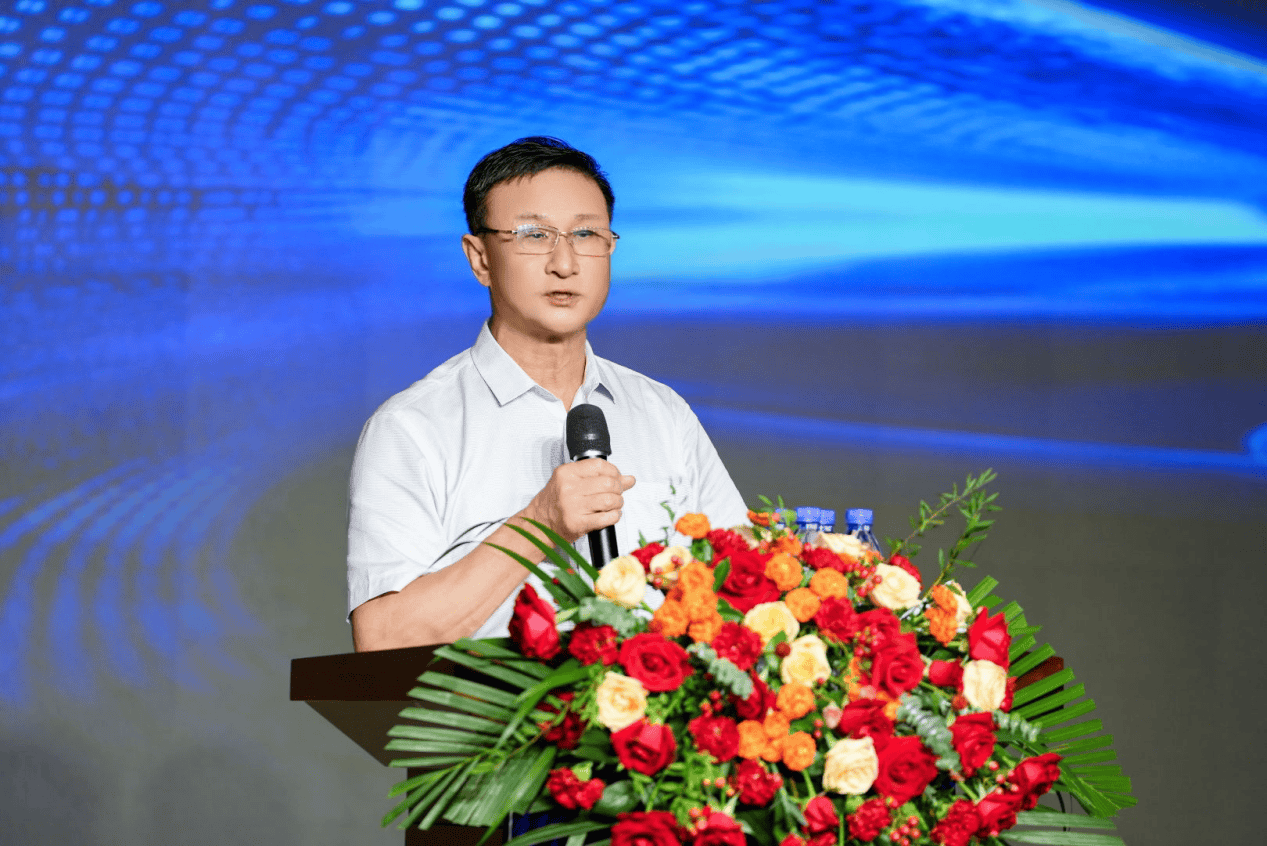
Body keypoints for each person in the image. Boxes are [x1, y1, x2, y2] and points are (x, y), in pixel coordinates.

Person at [347, 137, 747, 651]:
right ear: (480, 258)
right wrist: (540, 523)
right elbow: (382, 641)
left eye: (586, 234)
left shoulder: (662, 412)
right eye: (534, 235)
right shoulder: (412, 427)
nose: (565, 262)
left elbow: (744, 592)